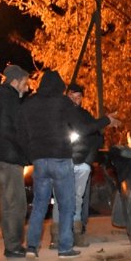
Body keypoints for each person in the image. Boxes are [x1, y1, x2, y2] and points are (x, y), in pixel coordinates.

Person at [18, 70, 119, 259]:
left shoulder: (29, 104)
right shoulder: (62, 103)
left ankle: (31, 247)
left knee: (40, 203)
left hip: (39, 161)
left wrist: (30, 155)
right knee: (67, 203)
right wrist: (106, 120)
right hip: (61, 159)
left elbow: (21, 133)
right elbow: (83, 127)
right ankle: (65, 247)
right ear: (59, 87)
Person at [49, 83, 111, 250]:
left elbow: (97, 137)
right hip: (61, 161)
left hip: (81, 164)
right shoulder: (58, 113)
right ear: (66, 96)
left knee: (77, 199)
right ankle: (56, 236)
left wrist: (87, 162)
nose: (76, 100)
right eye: (73, 96)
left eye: (79, 97)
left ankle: (76, 234)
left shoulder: (84, 114)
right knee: (60, 199)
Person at [0, 64, 30, 258]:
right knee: (17, 203)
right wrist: (24, 149)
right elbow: (9, 128)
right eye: (25, 83)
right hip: (10, 156)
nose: (27, 88)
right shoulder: (9, 98)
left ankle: (11, 243)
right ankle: (13, 246)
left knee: (7, 202)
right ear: (15, 81)